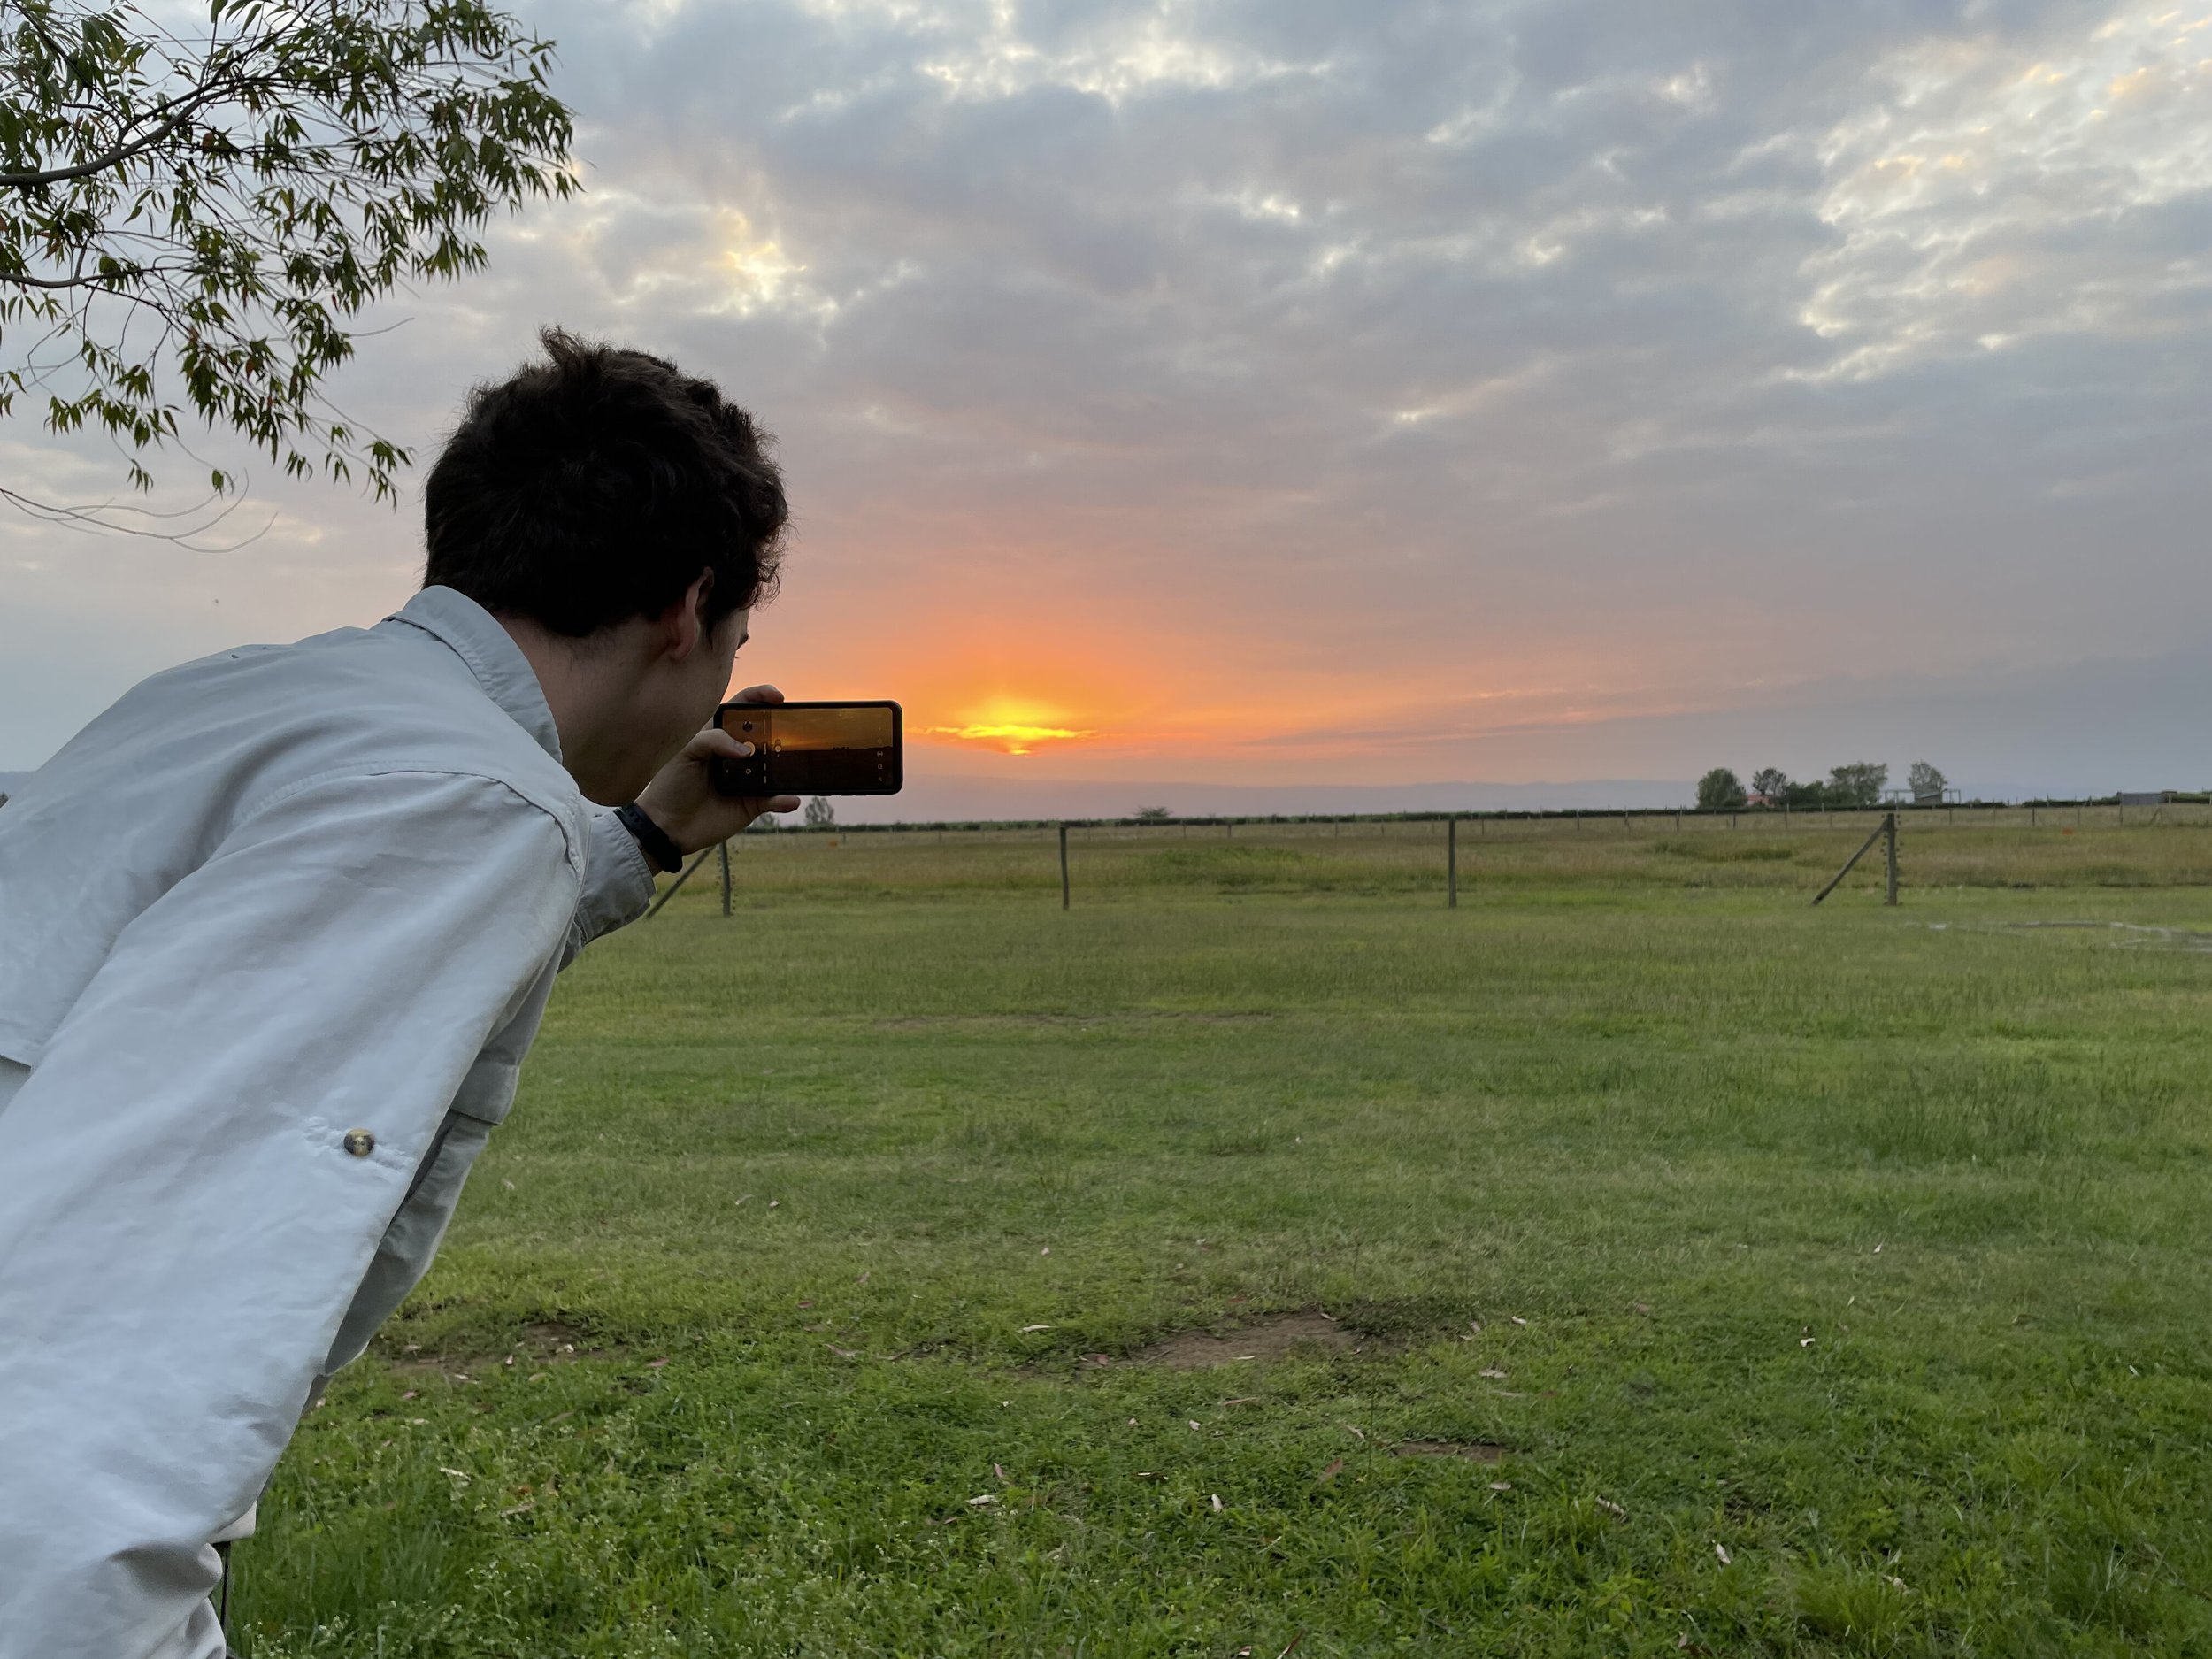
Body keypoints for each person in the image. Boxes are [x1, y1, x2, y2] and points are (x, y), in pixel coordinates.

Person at [0, 328, 800, 1657]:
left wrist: (644, 843)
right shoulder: (473, 798)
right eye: (735, 635)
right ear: (684, 611)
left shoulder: (244, 697)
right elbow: (74, 1463)